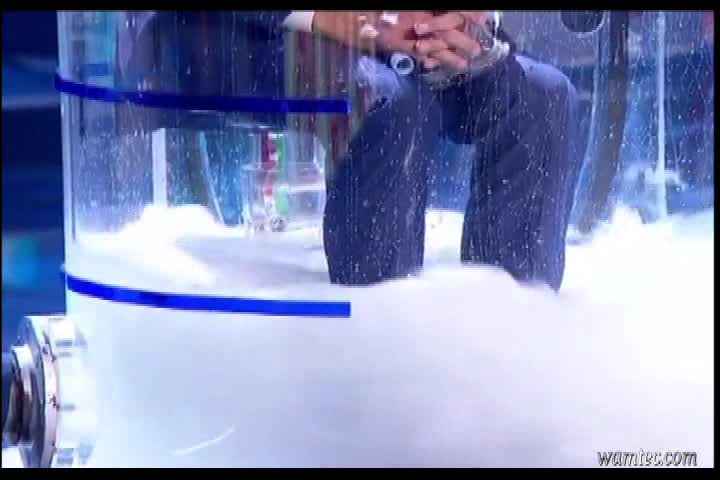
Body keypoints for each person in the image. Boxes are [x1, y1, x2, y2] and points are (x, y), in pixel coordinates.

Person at [118, 11, 582, 291]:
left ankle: (509, 344)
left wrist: (462, 21)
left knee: (541, 98)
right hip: (231, 27)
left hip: (393, 29)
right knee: (393, 104)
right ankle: (377, 352)